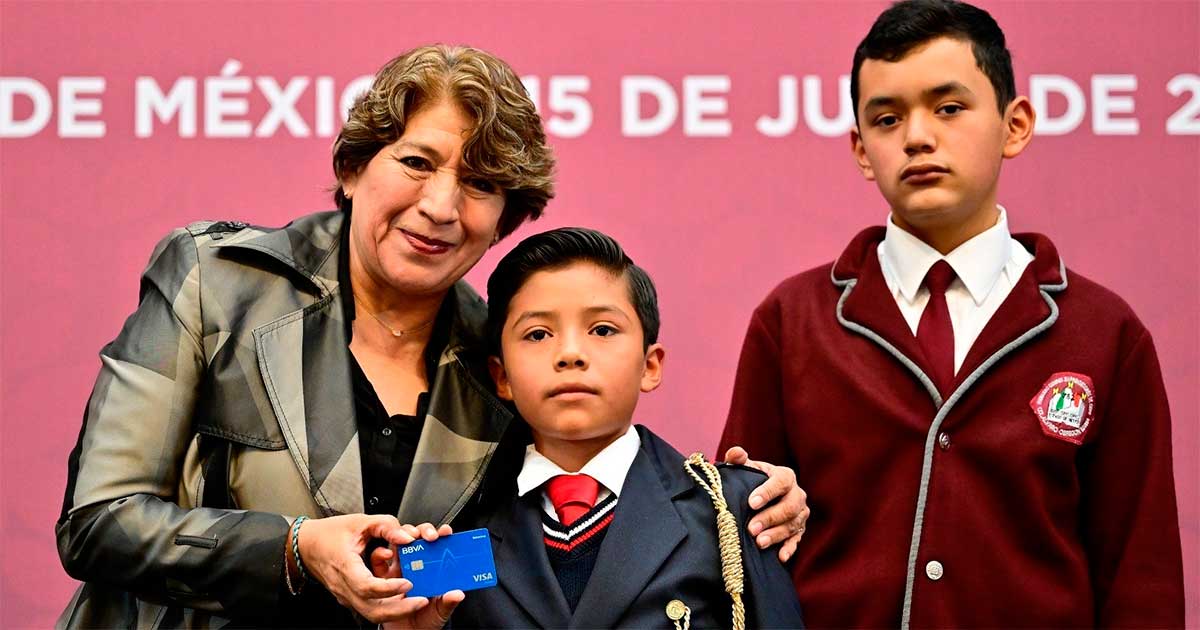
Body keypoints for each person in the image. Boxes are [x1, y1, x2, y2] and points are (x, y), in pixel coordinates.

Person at [56, 45, 809, 629]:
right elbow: (96, 523)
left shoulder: (502, 355)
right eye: (417, 163)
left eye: (480, 184)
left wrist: (741, 502)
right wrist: (295, 549)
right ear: (353, 167)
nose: (442, 206)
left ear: (506, 216)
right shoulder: (216, 281)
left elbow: (577, 481)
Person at [718, 1, 1185, 627]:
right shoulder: (793, 321)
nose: (916, 136)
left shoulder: (1103, 332)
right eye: (887, 119)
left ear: (1014, 125)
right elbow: (737, 547)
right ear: (861, 149)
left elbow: (1140, 577)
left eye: (948, 107)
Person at [379, 227, 804, 629]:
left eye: (602, 329)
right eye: (538, 334)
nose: (570, 353)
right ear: (501, 376)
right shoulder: (453, 521)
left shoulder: (730, 507)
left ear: (650, 365)